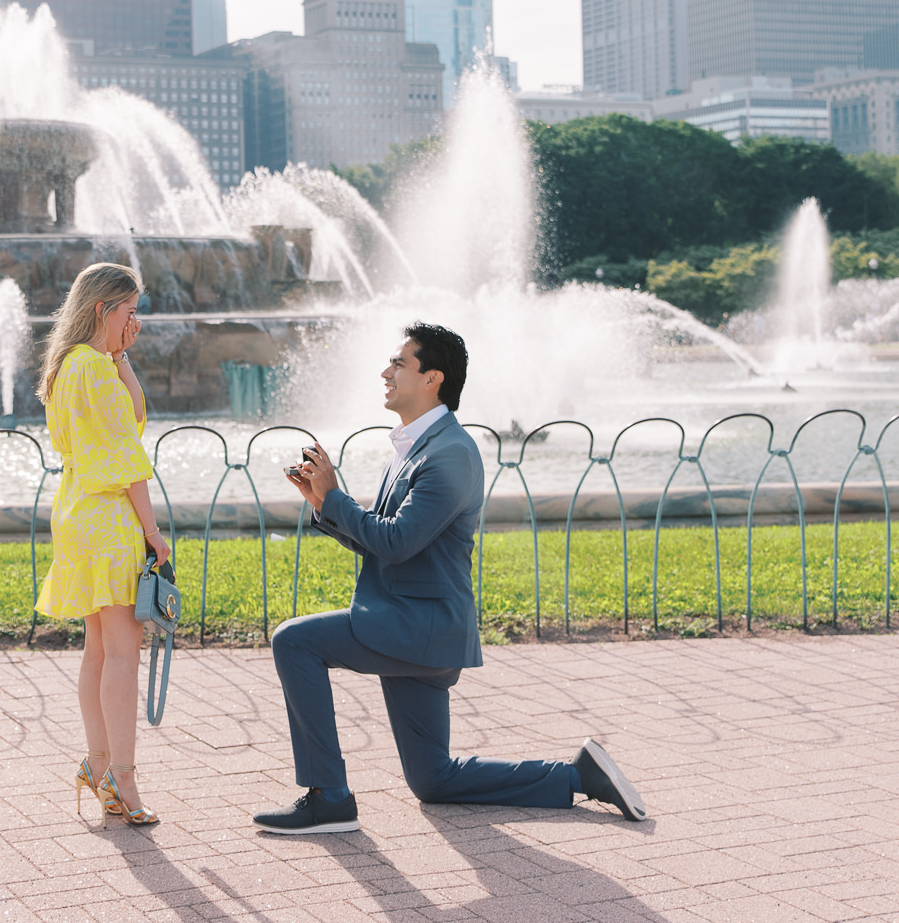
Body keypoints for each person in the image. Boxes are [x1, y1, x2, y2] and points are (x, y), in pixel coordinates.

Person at [252, 322, 648, 833]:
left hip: (415, 627)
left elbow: (397, 541)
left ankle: (329, 797)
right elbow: (388, 540)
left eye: (399, 363)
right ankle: (578, 776)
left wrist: (336, 498)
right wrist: (325, 505)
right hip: (412, 624)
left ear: (432, 378)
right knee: (433, 781)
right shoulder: (420, 446)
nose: (385, 372)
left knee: (294, 641)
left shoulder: (450, 454)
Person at [33, 262, 169, 826]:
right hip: (111, 519)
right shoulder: (93, 367)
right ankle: (124, 778)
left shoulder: (71, 365)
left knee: (98, 650)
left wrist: (122, 356)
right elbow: (128, 454)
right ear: (102, 310)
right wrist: (154, 534)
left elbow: (129, 421)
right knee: (122, 655)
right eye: (129, 312)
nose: (134, 323)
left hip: (75, 513)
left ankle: (98, 761)